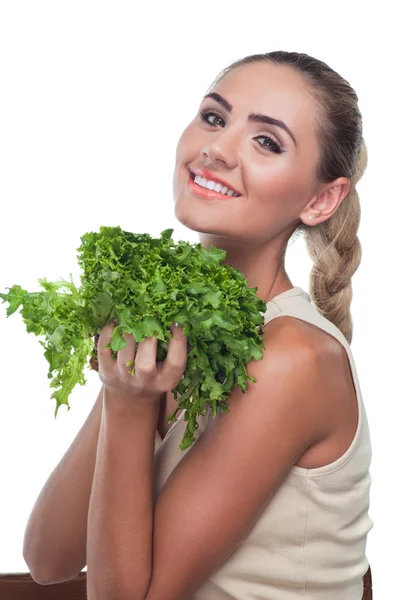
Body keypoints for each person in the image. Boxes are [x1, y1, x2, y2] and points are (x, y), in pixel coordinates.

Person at [24, 51, 374, 600]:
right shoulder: (172, 327)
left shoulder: (291, 356)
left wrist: (130, 405)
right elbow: (48, 558)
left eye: (267, 142)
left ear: (320, 199)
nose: (217, 149)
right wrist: (122, 387)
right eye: (215, 117)